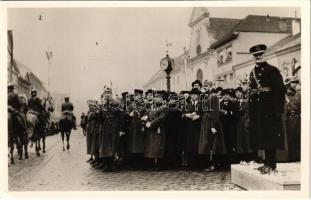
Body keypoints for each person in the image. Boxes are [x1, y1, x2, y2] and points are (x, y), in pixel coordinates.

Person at [248, 44, 285, 174]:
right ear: (253, 57)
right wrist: (251, 111)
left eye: (260, 54)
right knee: (261, 136)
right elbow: (252, 93)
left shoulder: (272, 70)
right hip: (258, 110)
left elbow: (279, 90)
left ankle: (272, 164)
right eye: (255, 55)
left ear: (265, 55)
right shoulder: (252, 72)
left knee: (271, 137)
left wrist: (278, 109)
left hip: (269, 109)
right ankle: (266, 163)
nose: (258, 57)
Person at [198, 82, 226, 171]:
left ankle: (214, 164)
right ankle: (208, 164)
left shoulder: (214, 96)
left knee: (213, 144)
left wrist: (213, 125)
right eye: (204, 86)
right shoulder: (205, 96)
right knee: (206, 144)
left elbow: (216, 112)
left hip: (212, 122)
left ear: (210, 86)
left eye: (207, 86)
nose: (205, 87)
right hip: (205, 121)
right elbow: (201, 109)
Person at [144, 90, 169, 171]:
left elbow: (161, 118)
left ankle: (159, 165)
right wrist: (146, 121)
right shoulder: (152, 107)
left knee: (159, 146)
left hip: (159, 129)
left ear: (162, 100)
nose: (156, 99)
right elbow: (147, 115)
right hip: (151, 129)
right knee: (151, 147)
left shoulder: (165, 108)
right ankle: (151, 164)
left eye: (159, 98)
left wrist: (151, 123)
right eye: (156, 98)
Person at [182, 88, 202, 170]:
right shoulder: (187, 104)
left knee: (197, 144)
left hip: (198, 127)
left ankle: (198, 164)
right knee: (189, 145)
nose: (193, 96)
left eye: (195, 95)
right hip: (189, 127)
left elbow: (205, 114)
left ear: (198, 96)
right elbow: (182, 114)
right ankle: (190, 164)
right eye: (192, 94)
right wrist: (187, 115)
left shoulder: (202, 104)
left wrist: (199, 116)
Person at [233, 87, 254, 163]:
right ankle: (241, 158)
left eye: (239, 92)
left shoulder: (247, 101)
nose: (238, 94)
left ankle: (250, 158)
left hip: (246, 122)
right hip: (238, 123)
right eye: (236, 92)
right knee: (239, 141)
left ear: (242, 93)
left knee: (248, 140)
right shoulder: (234, 102)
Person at [284, 76, 301, 162]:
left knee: (298, 136)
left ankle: (298, 156)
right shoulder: (284, 96)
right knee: (289, 137)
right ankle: (291, 156)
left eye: (295, 82)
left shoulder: (299, 94)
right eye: (293, 82)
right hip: (288, 118)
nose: (295, 84)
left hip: (297, 118)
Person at [164, 92, 182, 169]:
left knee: (176, 146)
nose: (172, 101)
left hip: (177, 130)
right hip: (168, 130)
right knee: (169, 147)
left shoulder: (178, 109)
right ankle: (169, 163)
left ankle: (177, 163)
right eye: (171, 99)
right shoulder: (167, 108)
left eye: (174, 99)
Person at [219, 89, 237, 168]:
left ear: (229, 96)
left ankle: (230, 162)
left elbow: (236, 115)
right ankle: (223, 162)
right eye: (224, 95)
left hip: (230, 127)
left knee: (230, 143)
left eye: (227, 95)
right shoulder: (219, 104)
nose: (225, 96)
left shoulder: (233, 104)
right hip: (221, 126)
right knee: (223, 144)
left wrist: (227, 113)